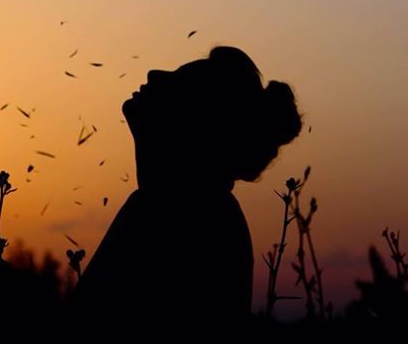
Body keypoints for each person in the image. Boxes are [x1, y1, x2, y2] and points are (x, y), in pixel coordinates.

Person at [75, 46, 302, 324]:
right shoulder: (182, 204)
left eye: (179, 80)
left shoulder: (180, 214)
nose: (154, 74)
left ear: (196, 125)